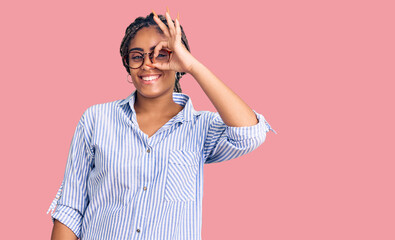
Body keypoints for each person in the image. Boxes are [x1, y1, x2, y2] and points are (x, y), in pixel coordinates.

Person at [47, 8, 277, 240]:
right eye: (137, 56)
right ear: (127, 63)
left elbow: (250, 134)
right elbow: (71, 208)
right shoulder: (96, 119)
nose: (148, 65)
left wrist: (193, 66)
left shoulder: (201, 127)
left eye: (160, 54)